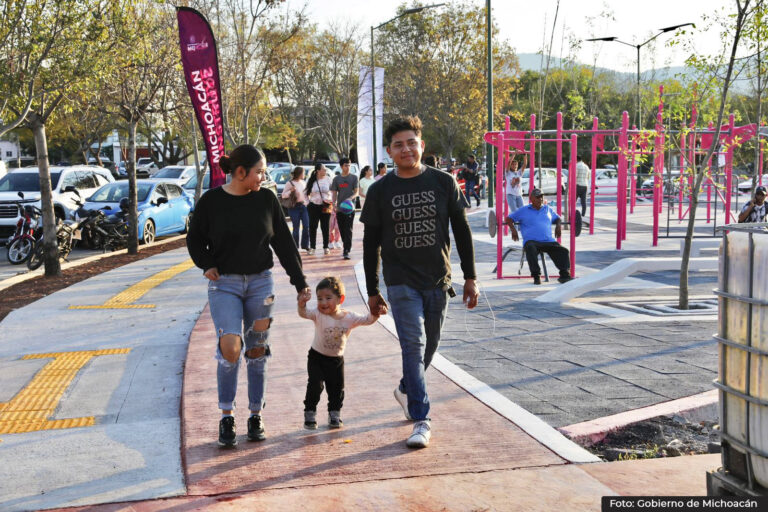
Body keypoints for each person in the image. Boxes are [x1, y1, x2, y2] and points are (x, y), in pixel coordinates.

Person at [361, 115, 479, 449]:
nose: (406, 149)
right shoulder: (380, 190)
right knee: (412, 344)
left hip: (438, 279)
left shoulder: (443, 183)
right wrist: (372, 290)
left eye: (411, 142)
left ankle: (405, 388)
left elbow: (462, 231)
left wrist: (471, 277)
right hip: (399, 282)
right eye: (398, 145)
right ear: (389, 151)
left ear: (421, 145)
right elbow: (371, 244)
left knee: (431, 344)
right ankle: (421, 418)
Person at [186, 144, 310, 448]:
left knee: (256, 349)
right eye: (259, 172)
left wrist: (300, 283)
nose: (263, 177)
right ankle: (226, 415)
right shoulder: (212, 201)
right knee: (230, 346)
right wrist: (206, 263)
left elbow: (284, 244)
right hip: (224, 285)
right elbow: (194, 237)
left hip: (261, 285)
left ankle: (256, 414)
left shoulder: (266, 200)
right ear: (240, 173)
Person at [298, 276, 379, 429]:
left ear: (340, 298)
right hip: (316, 357)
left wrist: (376, 312)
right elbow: (304, 313)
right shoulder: (318, 314)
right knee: (315, 385)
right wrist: (301, 304)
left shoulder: (349, 318)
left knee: (336, 389)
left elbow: (368, 319)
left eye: (328, 298)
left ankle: (334, 415)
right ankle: (310, 413)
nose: (323, 303)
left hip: (336, 360)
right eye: (319, 298)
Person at [503, 188, 572, 285]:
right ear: (531, 198)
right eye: (537, 197)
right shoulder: (524, 210)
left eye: (541, 197)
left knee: (563, 250)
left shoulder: (547, 209)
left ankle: (564, 275)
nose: (540, 199)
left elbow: (558, 218)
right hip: (532, 241)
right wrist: (513, 230)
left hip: (548, 241)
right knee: (530, 248)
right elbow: (509, 218)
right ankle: (536, 276)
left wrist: (558, 226)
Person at [331, 157, 359, 260]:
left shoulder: (354, 178)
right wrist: (334, 203)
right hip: (339, 209)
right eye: (346, 165)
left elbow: (356, 192)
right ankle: (345, 245)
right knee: (342, 229)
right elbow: (334, 193)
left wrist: (350, 198)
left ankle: (346, 250)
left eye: (349, 165)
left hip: (350, 208)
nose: (348, 167)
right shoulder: (336, 179)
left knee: (348, 229)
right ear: (342, 166)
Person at [305, 163, 334, 255]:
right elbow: (305, 193)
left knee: (325, 227)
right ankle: (312, 247)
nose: (325, 171)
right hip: (314, 206)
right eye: (323, 169)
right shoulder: (311, 180)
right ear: (318, 170)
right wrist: (308, 203)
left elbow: (334, 192)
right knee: (313, 227)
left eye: (326, 169)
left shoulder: (329, 179)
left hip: (326, 205)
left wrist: (331, 200)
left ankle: (326, 247)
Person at [282, 166, 310, 254]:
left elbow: (306, 195)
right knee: (296, 228)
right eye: (303, 173)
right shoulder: (289, 183)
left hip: (303, 206)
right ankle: (295, 247)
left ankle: (305, 245)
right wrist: (290, 191)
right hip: (294, 207)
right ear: (299, 173)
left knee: (306, 226)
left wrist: (307, 202)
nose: (304, 175)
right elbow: (283, 195)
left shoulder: (304, 182)